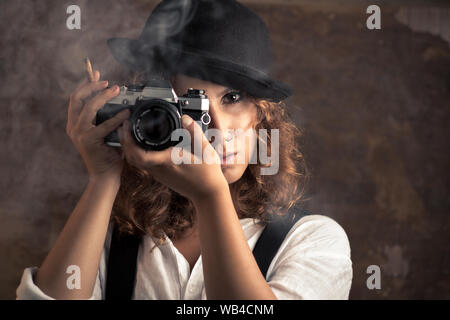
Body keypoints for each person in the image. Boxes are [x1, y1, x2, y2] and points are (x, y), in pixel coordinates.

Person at [16, 0, 352, 300]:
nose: (217, 129)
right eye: (191, 107)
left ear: (260, 113)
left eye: (233, 98)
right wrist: (103, 178)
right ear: (154, 116)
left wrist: (210, 196)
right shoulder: (110, 241)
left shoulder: (313, 241)